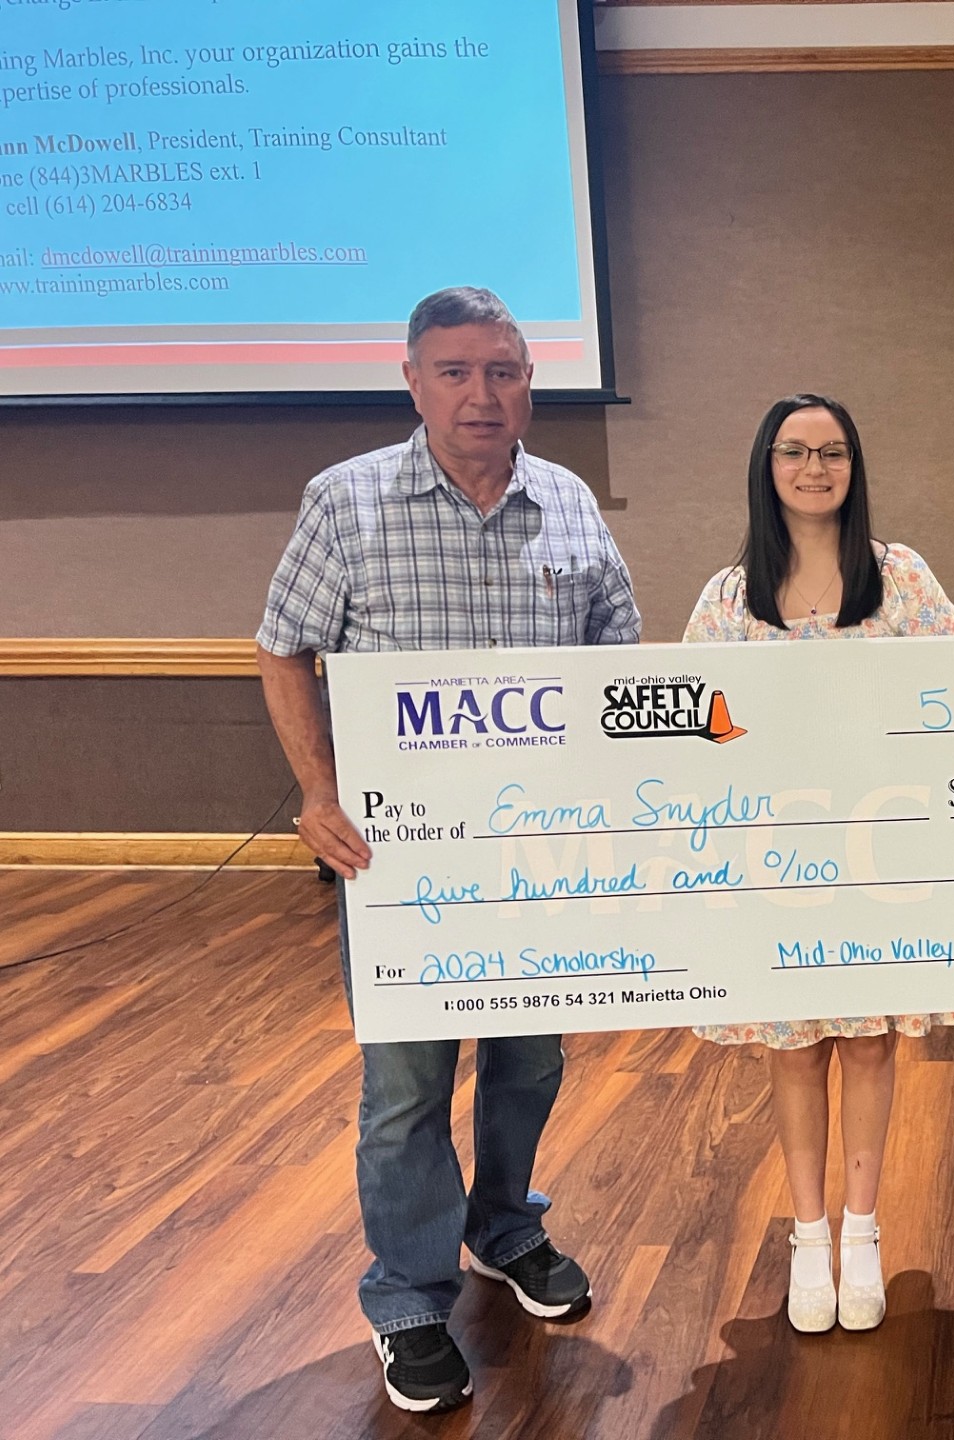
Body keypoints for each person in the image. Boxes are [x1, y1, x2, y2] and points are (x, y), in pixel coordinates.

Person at [256, 287, 640, 1413]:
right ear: (414, 382)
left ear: (529, 383)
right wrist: (318, 792)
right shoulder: (346, 501)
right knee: (407, 1085)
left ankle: (506, 1227)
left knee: (532, 1061)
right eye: (458, 372)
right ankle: (410, 1294)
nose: (483, 394)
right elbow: (283, 649)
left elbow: (618, 663)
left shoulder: (570, 503)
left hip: (542, 856)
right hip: (401, 862)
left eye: (504, 372)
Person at [682, 392, 954, 1334]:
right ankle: (809, 1235)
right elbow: (691, 729)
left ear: (855, 466)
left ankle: (862, 1229)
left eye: (833, 452)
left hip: (881, 857)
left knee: (871, 1041)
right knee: (795, 1046)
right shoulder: (728, 598)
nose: (815, 468)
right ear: (766, 466)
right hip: (777, 864)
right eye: (795, 451)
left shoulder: (902, 576)